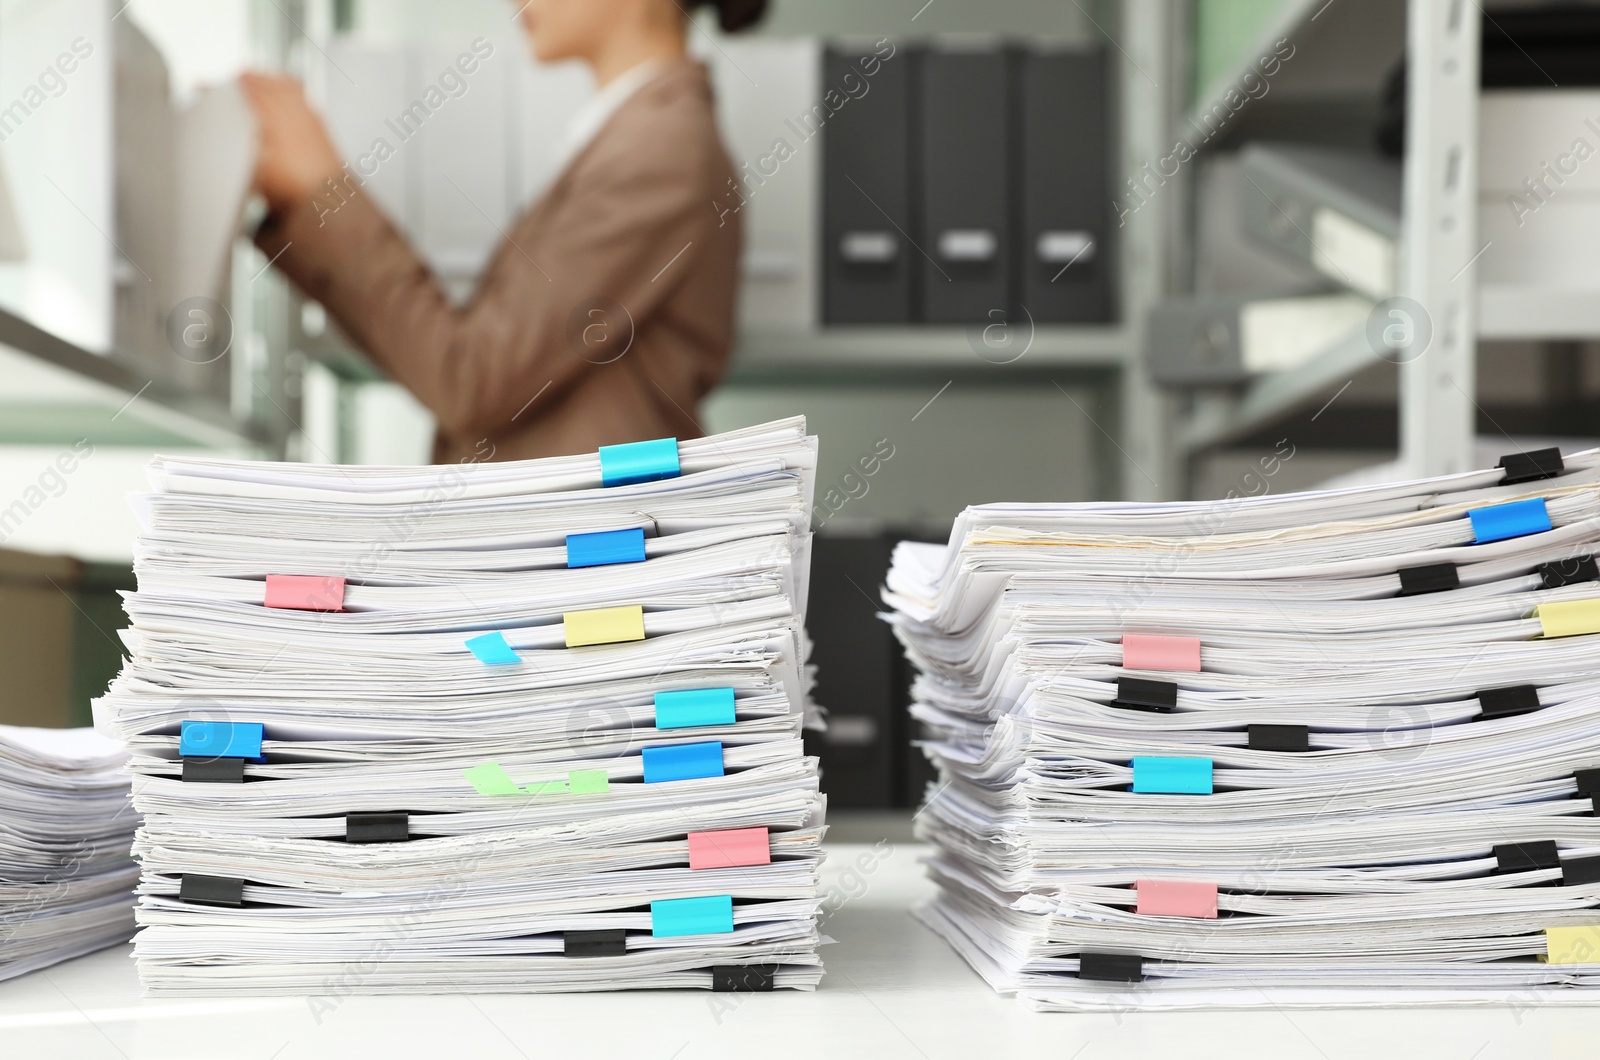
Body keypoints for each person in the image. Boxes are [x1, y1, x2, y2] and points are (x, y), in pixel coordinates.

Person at [239, 0, 768, 463]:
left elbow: (472, 377)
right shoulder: (635, 137)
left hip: (595, 557)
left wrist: (323, 191)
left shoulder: (659, 147)